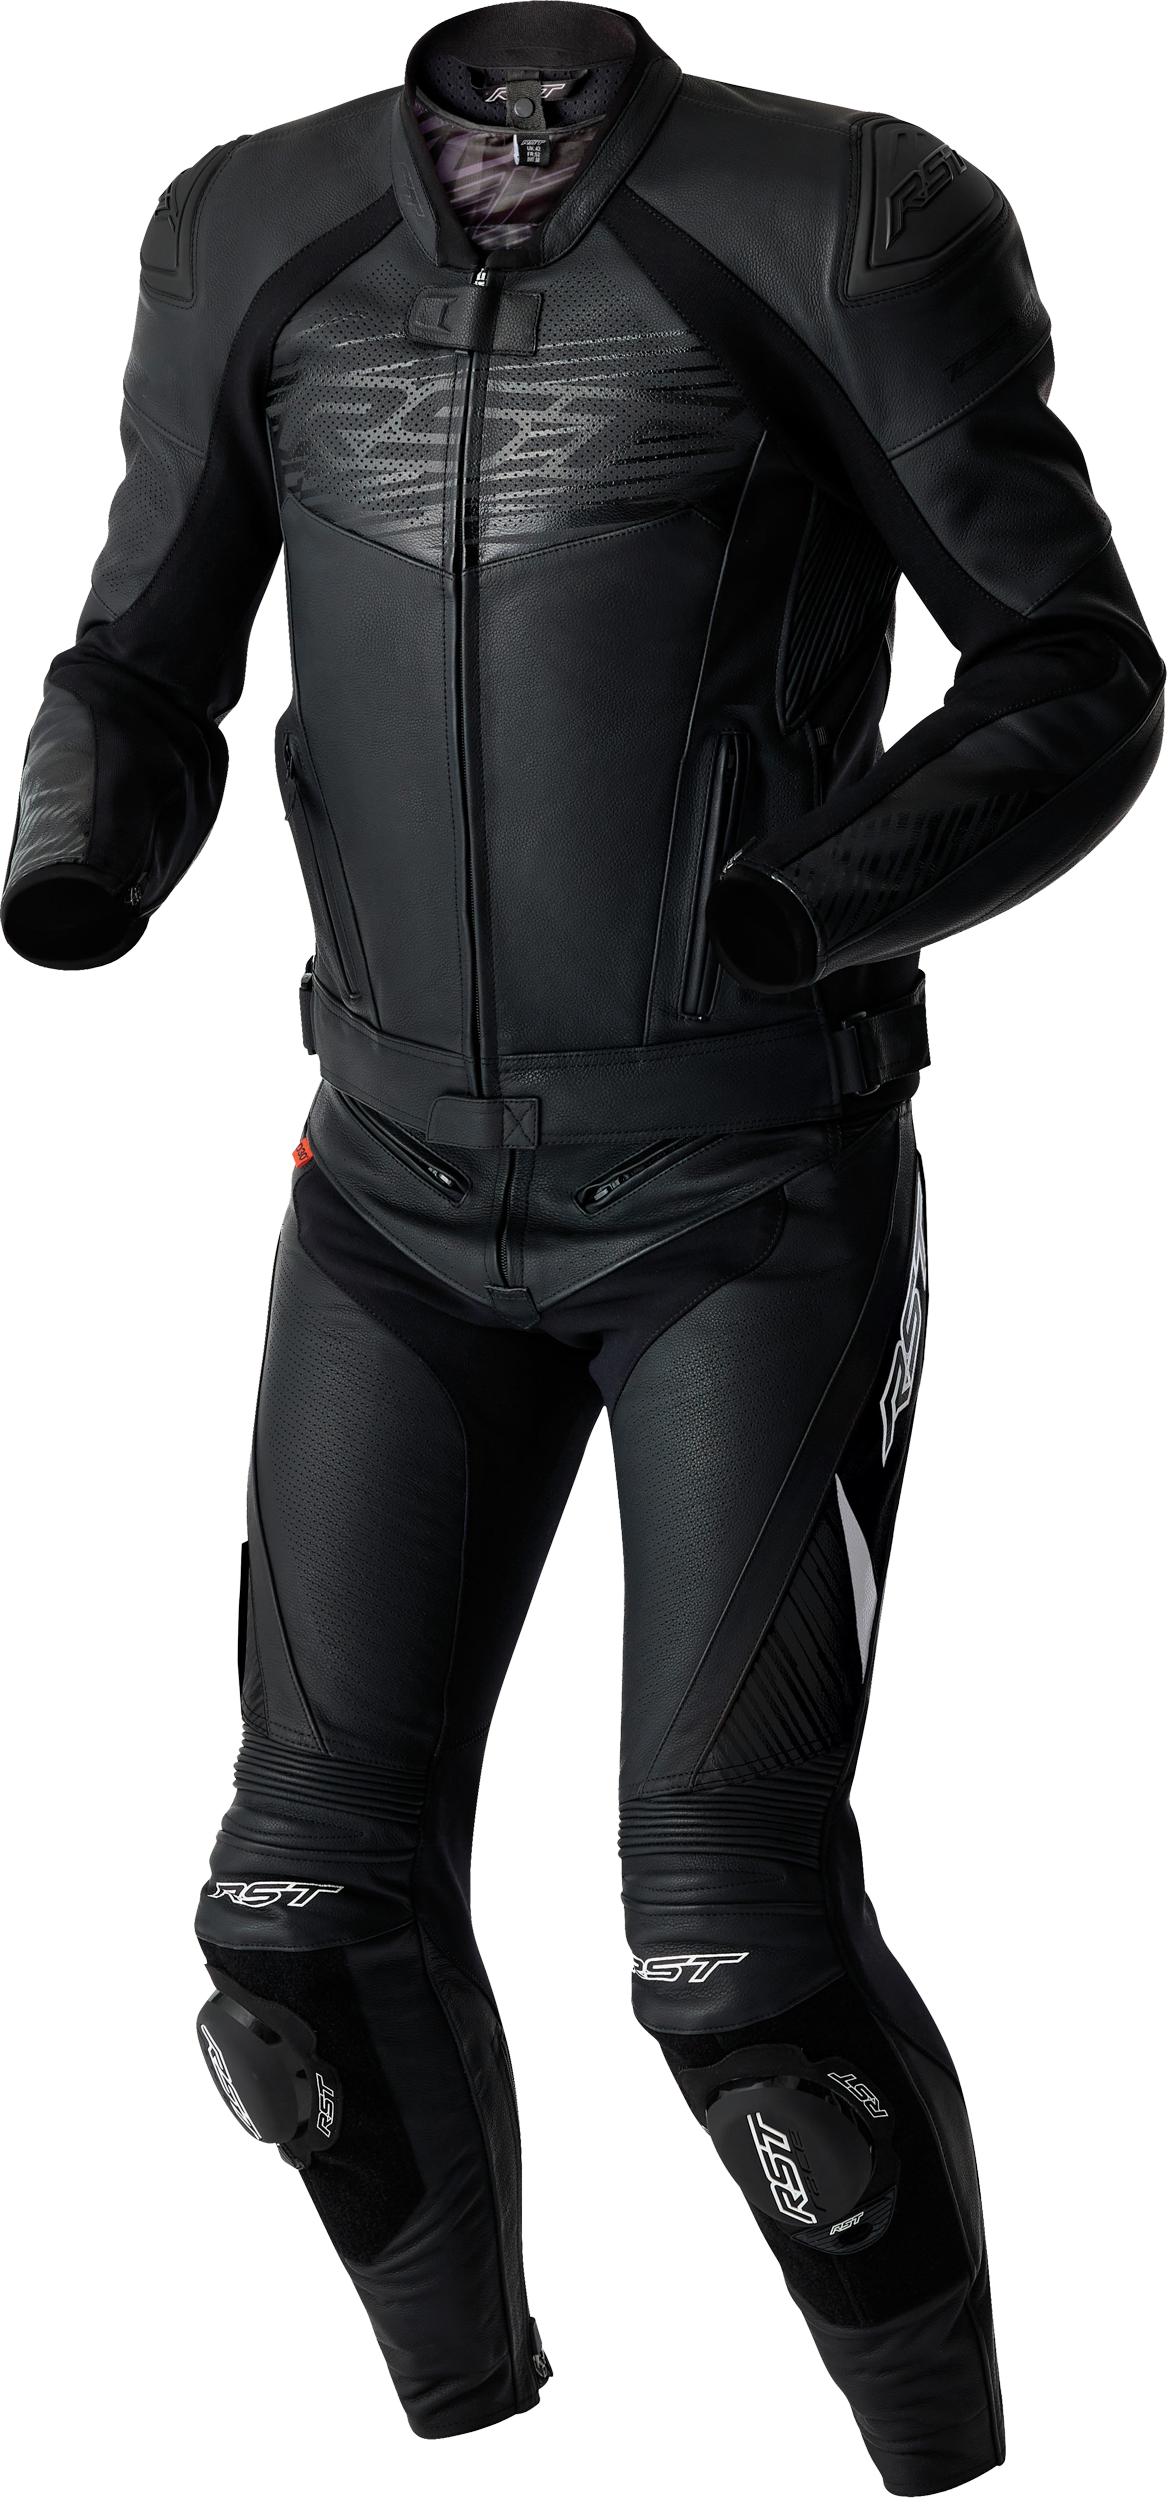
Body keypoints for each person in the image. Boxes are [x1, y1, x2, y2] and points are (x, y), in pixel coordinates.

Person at [4, 7, 1161, 2492]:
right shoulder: (249, 227)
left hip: (744, 1195)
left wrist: (807, 905)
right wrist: (79, 842)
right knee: (292, 1923)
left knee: (730, 1949)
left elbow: (1073, 668)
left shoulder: (844, 213)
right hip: (390, 1197)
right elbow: (142, 648)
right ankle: (468, 2442)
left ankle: (949, 2460)